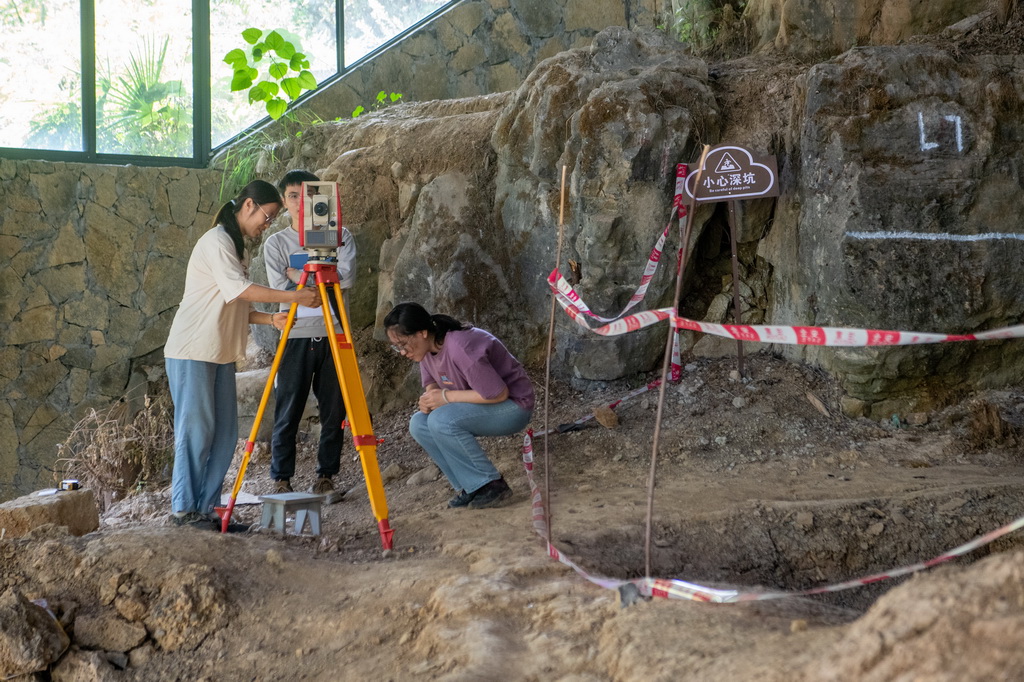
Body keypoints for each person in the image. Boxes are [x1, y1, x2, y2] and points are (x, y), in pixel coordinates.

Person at [164, 180, 320, 528]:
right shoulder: (217, 241)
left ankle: (205, 509)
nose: (267, 225)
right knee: (196, 429)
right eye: (267, 216)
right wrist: (294, 298)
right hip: (192, 350)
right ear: (249, 205)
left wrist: (270, 318)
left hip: (219, 352)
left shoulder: (236, 248)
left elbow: (232, 304)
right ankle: (183, 509)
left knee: (223, 433)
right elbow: (240, 291)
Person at [383, 302, 534, 510]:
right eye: (396, 346)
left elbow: (498, 393)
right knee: (419, 423)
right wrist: (429, 400)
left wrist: (445, 397)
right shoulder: (426, 351)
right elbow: (431, 384)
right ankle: (471, 486)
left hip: (513, 406)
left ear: (422, 333)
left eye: (403, 344)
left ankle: (492, 485)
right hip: (484, 404)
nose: (402, 352)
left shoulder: (459, 346)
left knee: (441, 420)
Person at [263, 170, 355, 500]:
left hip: (334, 332)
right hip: (294, 333)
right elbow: (280, 290)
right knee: (288, 408)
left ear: (320, 198)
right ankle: (281, 478)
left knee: (334, 409)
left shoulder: (340, 234)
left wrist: (295, 273)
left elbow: (342, 280)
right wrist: (310, 278)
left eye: (307, 195)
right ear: (284, 201)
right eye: (291, 196)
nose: (300, 203)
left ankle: (326, 476)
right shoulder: (276, 243)